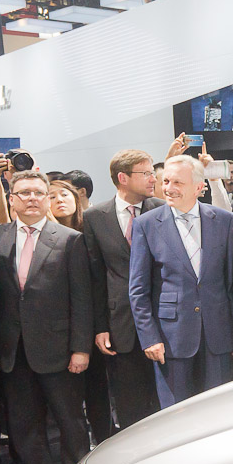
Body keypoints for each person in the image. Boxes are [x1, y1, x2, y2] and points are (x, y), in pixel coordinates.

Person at [0, 171, 92, 464]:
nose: (31, 198)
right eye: (24, 192)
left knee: (70, 420)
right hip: (11, 348)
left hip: (60, 348)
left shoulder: (70, 239)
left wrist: (81, 348)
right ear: (11, 199)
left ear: (47, 199)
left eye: (39, 193)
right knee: (23, 422)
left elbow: (82, 298)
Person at [129, 155, 233, 408]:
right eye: (166, 181)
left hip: (217, 334)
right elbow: (138, 290)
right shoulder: (146, 224)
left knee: (219, 407)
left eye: (178, 182)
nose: (169, 188)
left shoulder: (222, 220)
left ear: (199, 187)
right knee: (176, 412)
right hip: (171, 338)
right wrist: (149, 337)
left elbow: (231, 282)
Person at [84, 150, 164, 431]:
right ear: (123, 178)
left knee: (166, 404)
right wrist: (100, 326)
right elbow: (95, 277)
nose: (153, 179)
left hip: (162, 319)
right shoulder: (95, 217)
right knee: (130, 406)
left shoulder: (161, 209)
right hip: (120, 325)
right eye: (146, 173)